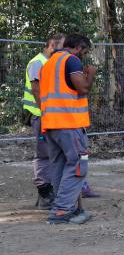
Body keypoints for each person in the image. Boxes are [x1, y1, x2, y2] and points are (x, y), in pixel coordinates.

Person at [39, 33, 96, 224]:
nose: (83, 56)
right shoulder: (70, 61)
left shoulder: (48, 64)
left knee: (59, 167)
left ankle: (65, 208)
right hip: (68, 123)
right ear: (78, 48)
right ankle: (62, 211)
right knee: (79, 164)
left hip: (50, 125)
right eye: (84, 52)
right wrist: (91, 74)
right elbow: (83, 88)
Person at [22, 32, 65, 208]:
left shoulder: (48, 63)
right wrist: (44, 111)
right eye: (62, 47)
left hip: (46, 115)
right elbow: (36, 90)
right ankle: (45, 193)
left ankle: (48, 193)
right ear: (52, 46)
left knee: (50, 153)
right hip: (40, 115)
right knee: (42, 154)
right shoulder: (37, 63)